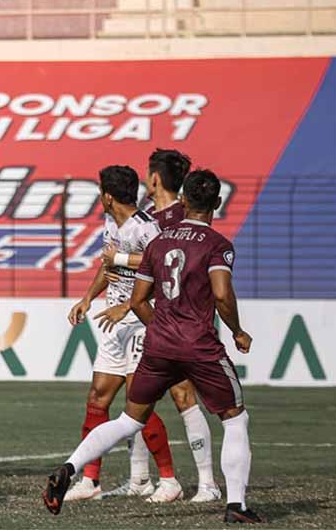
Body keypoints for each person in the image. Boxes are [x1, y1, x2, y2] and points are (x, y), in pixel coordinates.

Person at [43, 169, 263, 524]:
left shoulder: (160, 243)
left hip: (159, 343)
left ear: (185, 202)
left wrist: (160, 328)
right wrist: (237, 331)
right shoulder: (217, 245)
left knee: (129, 419)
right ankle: (236, 505)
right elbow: (221, 293)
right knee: (235, 418)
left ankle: (70, 467)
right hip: (199, 345)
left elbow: (140, 297)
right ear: (217, 204)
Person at [100, 148, 220, 502]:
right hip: (159, 318)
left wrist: (120, 263)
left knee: (184, 395)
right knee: (137, 396)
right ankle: (140, 479)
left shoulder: (182, 217)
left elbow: (167, 260)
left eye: (147, 175)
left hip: (185, 318)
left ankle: (208, 484)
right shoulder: (151, 217)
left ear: (154, 178)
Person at [64, 166, 182, 503]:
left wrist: (128, 306)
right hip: (114, 320)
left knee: (137, 403)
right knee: (97, 398)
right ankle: (90, 481)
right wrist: (87, 298)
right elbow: (109, 265)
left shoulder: (146, 228)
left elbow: (165, 273)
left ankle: (170, 480)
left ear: (108, 196)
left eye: (100, 191)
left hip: (142, 321)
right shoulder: (111, 224)